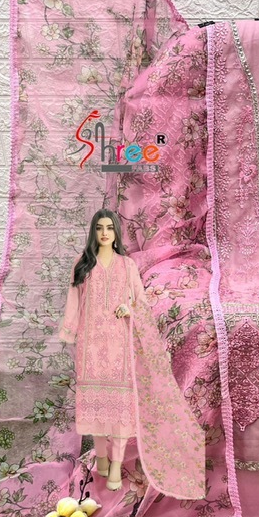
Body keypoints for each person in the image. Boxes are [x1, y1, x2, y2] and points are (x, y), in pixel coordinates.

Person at [59, 208, 206, 496]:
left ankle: (115, 465)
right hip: (90, 345)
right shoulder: (83, 263)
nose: (104, 233)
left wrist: (130, 309)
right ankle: (101, 457)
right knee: (96, 406)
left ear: (115, 233)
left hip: (119, 344)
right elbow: (73, 300)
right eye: (99, 228)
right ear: (93, 232)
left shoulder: (127, 266)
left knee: (120, 408)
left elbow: (141, 301)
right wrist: (70, 331)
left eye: (109, 228)